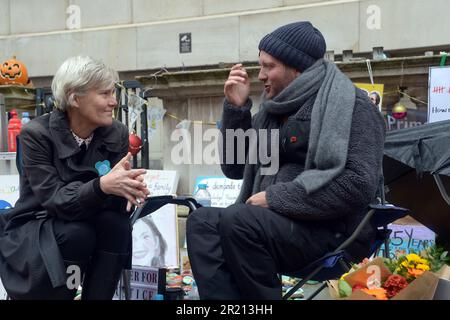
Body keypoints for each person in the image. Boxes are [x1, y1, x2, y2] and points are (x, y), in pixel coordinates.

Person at [186, 21, 386, 299]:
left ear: (297, 68)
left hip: (332, 233)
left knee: (239, 219)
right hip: (269, 225)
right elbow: (234, 167)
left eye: (269, 67)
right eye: (260, 66)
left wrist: (276, 198)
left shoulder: (353, 107)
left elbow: (357, 184)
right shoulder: (273, 112)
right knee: (202, 222)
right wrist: (237, 109)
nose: (260, 75)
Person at [0, 56, 149, 300]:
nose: (113, 102)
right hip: (39, 224)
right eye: (104, 94)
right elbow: (53, 199)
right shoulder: (35, 135)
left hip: (90, 218)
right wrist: (102, 186)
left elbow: (115, 201)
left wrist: (130, 190)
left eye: (113, 93)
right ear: (74, 97)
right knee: (77, 234)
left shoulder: (117, 133)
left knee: (117, 226)